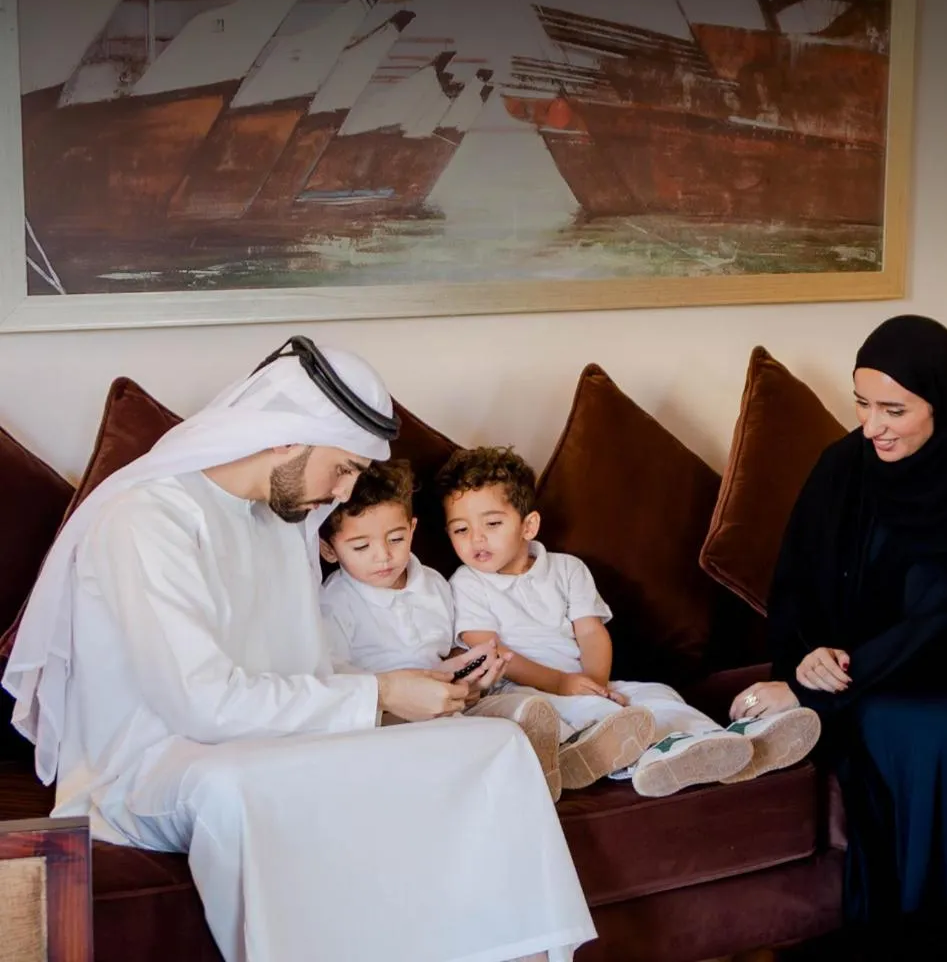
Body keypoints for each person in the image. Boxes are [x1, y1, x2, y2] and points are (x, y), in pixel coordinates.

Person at [1, 336, 594, 962]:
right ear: (286, 437)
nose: (343, 494)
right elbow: (201, 704)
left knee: (493, 745)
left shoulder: (283, 519)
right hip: (155, 761)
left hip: (276, 739)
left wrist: (416, 684)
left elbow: (307, 667)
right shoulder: (146, 519)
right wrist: (379, 694)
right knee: (241, 786)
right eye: (343, 469)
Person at [729, 314, 947, 936]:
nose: (872, 427)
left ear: (944, 404)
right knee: (923, 730)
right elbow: (796, 584)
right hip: (850, 677)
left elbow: (946, 624)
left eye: (894, 410)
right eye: (862, 404)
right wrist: (807, 655)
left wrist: (813, 688)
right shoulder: (842, 467)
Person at [435, 446, 821, 798]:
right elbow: (493, 652)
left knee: (658, 695)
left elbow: (591, 631)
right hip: (523, 689)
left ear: (528, 526)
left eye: (492, 524)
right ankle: (648, 757)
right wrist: (565, 686)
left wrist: (595, 681)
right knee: (592, 716)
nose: (476, 539)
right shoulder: (466, 584)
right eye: (461, 530)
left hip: (583, 681)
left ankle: (727, 742)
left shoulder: (567, 569)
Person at [319, 458, 564, 799]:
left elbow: (448, 652)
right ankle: (520, 769)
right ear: (329, 549)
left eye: (396, 538)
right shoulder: (334, 602)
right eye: (361, 546)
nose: (383, 556)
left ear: (412, 529)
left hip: (448, 700)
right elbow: (336, 681)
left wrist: (472, 672)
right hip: (386, 715)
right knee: (465, 738)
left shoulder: (434, 584)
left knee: (511, 712)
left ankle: (540, 747)